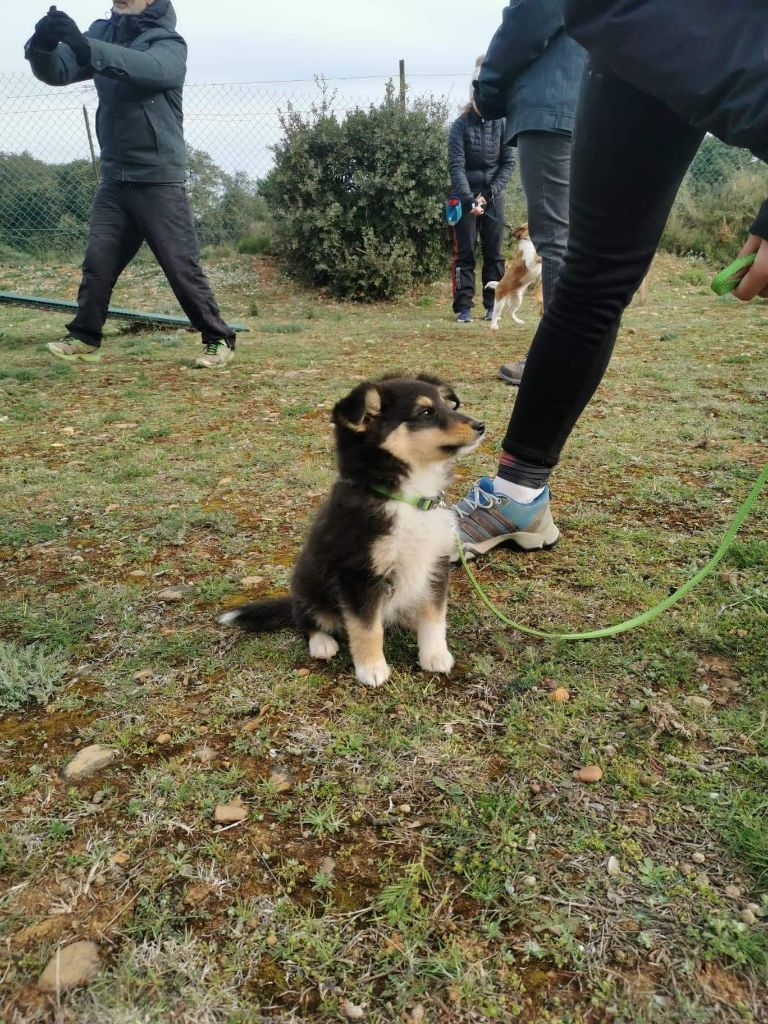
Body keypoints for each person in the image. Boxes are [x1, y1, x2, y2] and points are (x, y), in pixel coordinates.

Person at [454, 0, 768, 559]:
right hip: (632, 41)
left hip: (736, 39)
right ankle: (517, 493)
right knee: (590, 276)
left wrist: (492, 84)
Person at [24, 0, 236, 369]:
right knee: (98, 262)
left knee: (180, 267)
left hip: (158, 180)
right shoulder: (102, 33)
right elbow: (58, 71)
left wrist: (87, 47)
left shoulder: (168, 43)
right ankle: (85, 335)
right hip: (114, 180)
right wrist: (41, 45)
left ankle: (218, 338)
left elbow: (150, 70)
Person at [474, 0, 586, 385]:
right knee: (578, 236)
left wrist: (486, 91)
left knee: (554, 239)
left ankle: (555, 361)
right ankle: (579, 351)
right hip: (598, 102)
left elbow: (531, 17)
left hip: (554, 106)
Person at [448, 57, 515, 324]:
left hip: (492, 196)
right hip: (463, 198)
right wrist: (469, 200)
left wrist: (486, 196)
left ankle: (492, 306)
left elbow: (508, 163)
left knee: (494, 253)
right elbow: (456, 166)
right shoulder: (459, 126)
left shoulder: (502, 125)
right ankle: (464, 307)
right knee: (464, 253)